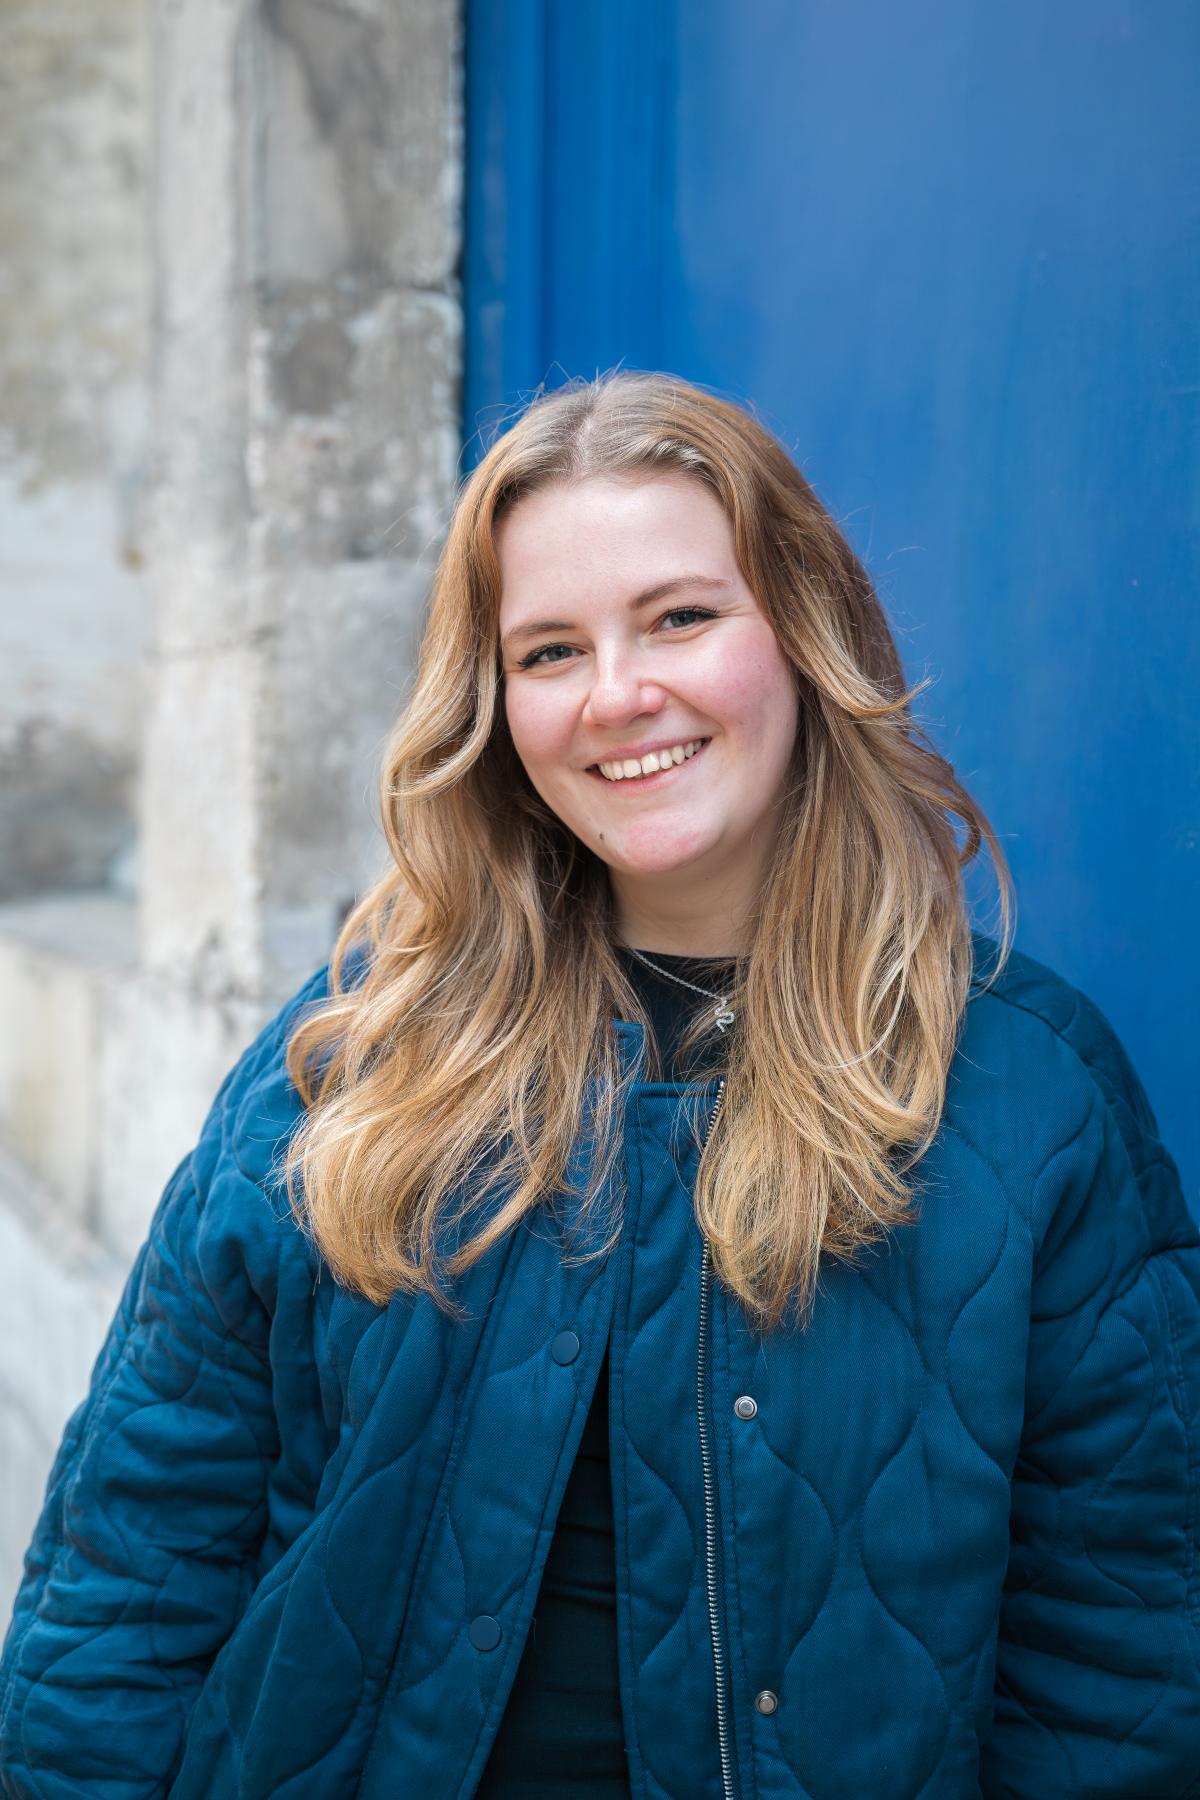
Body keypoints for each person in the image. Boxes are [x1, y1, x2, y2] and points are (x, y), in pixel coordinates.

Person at [1, 371, 1197, 1800]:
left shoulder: (1029, 1096)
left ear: (807, 636)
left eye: (683, 617)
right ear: (493, 703)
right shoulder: (352, 1059)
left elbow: (1117, 1669)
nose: (620, 695)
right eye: (550, 650)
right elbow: (128, 1573)